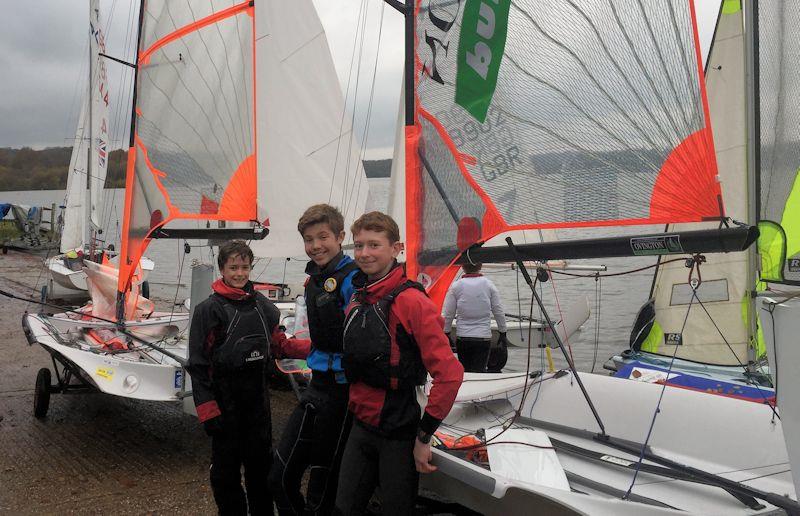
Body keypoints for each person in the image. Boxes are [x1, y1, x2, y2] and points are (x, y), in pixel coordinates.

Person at [335, 211, 464, 516]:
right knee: (343, 508)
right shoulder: (357, 297)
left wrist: (424, 436)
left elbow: (449, 374)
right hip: (359, 425)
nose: (364, 254)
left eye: (374, 245)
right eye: (359, 246)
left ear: (396, 249)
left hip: (398, 431)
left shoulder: (413, 302)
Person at [186, 240, 309, 516]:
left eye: (244, 267)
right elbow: (198, 364)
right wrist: (207, 411)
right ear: (222, 269)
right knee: (224, 475)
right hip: (224, 405)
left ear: (250, 267)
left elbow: (278, 345)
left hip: (257, 406)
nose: (239, 273)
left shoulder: (262, 307)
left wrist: (315, 347)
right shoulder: (209, 310)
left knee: (261, 472)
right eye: (233, 267)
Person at [269, 204, 359, 515]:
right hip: (317, 388)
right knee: (278, 478)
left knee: (321, 494)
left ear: (340, 236)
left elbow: (360, 343)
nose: (316, 246)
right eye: (309, 239)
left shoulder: (353, 280)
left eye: (323, 237)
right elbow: (324, 342)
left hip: (344, 395)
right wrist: (287, 347)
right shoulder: (314, 281)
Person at [442, 262, 509, 373]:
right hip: (483, 337)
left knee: (465, 372)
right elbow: (498, 311)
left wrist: (446, 332)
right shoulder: (489, 285)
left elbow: (449, 314)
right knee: (480, 371)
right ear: (480, 266)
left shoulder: (456, 286)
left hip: (463, 337)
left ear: (463, 267)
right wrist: (503, 332)